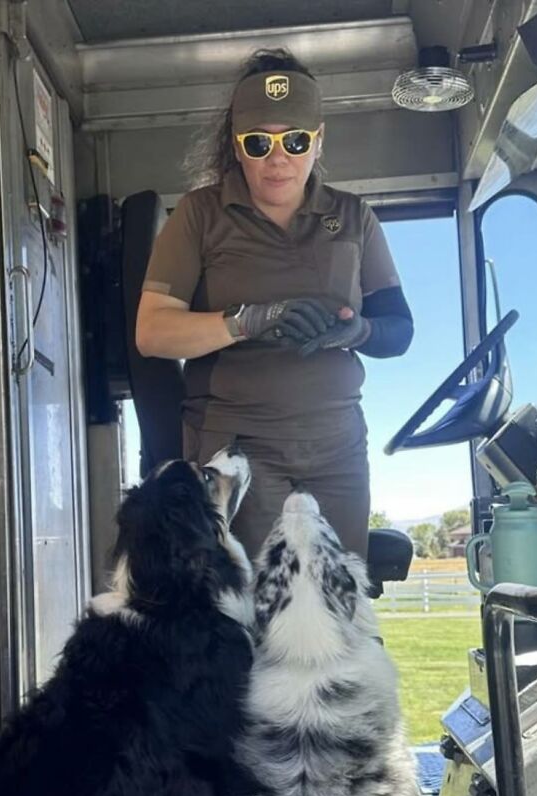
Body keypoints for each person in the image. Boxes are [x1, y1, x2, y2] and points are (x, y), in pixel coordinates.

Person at [136, 48, 413, 559]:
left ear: (318, 140)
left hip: (336, 447)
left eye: (295, 140)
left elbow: (400, 329)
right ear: (237, 146)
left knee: (339, 604)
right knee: (249, 612)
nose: (278, 157)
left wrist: (361, 333)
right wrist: (245, 322)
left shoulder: (353, 218)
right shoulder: (199, 215)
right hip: (238, 453)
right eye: (259, 142)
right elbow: (152, 332)